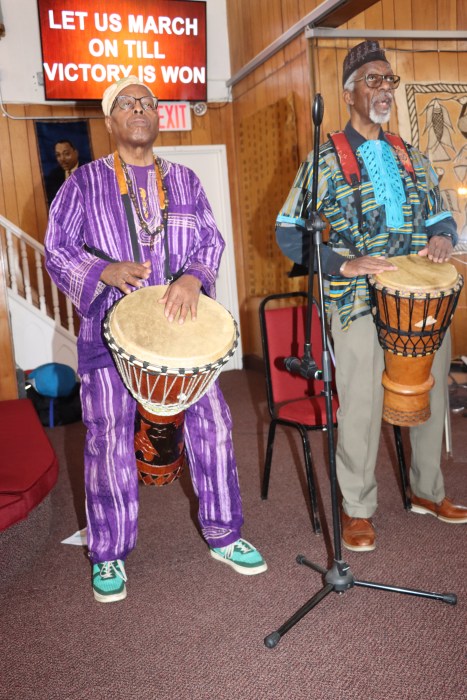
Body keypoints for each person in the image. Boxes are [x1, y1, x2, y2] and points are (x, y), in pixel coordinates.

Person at [45, 76, 267, 603]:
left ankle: (225, 534)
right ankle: (109, 554)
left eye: (147, 102)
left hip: (185, 339)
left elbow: (210, 239)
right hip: (110, 335)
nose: (139, 108)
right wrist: (103, 270)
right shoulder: (82, 184)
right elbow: (57, 250)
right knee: (108, 441)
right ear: (111, 120)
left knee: (213, 425)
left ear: (158, 116)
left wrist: (193, 277)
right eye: (127, 103)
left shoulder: (186, 181)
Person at [276, 40, 467, 552]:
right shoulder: (323, 159)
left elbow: (439, 212)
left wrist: (444, 235)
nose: (384, 89)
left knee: (429, 392)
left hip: (421, 303)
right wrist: (343, 262)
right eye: (374, 81)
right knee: (360, 405)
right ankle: (357, 507)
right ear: (349, 93)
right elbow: (289, 232)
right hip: (357, 299)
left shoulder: (409, 153)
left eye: (390, 81)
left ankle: (428, 491)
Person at [45, 140, 83, 205]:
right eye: (58, 155)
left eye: (66, 154)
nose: (62, 159)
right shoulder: (53, 176)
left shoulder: (88, 171)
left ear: (76, 153)